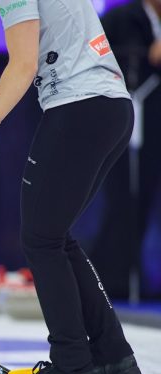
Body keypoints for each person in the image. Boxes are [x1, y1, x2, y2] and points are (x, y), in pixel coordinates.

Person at [0, 0, 143, 374]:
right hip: (111, 106)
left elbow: (23, 64)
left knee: (41, 239)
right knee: (55, 236)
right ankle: (111, 357)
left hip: (80, 107)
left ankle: (72, 366)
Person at [91, 0, 161, 299]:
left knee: (146, 200)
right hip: (128, 121)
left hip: (155, 127)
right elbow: (102, 59)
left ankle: (143, 278)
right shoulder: (122, 18)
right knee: (122, 200)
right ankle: (113, 279)